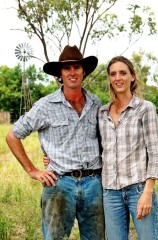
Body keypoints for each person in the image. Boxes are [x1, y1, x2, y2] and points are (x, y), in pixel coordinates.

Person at [5, 45, 105, 240]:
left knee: (97, 238)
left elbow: (103, 140)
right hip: (59, 183)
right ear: (60, 73)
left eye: (77, 67)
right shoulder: (45, 105)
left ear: (83, 71)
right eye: (67, 68)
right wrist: (33, 170)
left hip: (94, 183)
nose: (72, 72)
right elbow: (12, 136)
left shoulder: (95, 103)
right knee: (54, 237)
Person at [98, 56, 158, 239]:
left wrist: (148, 192)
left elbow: (155, 154)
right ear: (109, 79)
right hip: (110, 193)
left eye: (123, 73)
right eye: (113, 74)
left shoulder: (145, 108)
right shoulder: (102, 113)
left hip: (138, 189)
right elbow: (95, 149)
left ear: (132, 77)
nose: (117, 78)